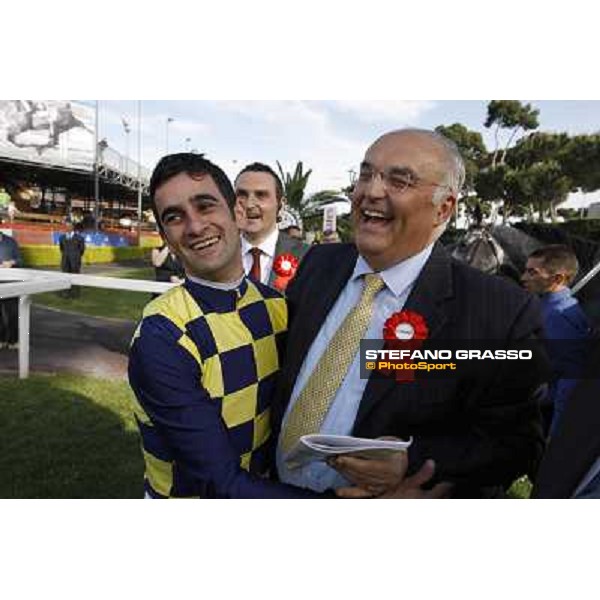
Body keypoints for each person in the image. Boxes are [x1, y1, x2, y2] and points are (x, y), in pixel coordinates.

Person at [272, 128, 547, 498]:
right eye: (366, 174)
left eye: (399, 180)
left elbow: (517, 444)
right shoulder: (318, 265)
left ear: (443, 208)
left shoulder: (499, 312)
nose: (371, 191)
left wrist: (415, 461)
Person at [128, 153, 334, 499]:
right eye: (175, 217)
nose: (194, 227)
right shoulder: (161, 335)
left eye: (205, 206)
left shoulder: (277, 305)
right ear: (165, 235)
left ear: (237, 213)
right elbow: (217, 483)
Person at [521, 245, 593, 436]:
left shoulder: (559, 316)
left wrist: (556, 433)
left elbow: (570, 377)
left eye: (532, 272)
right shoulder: (546, 306)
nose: (523, 277)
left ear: (558, 278)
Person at [234, 163, 309, 291]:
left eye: (261, 195)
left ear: (280, 204)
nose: (249, 204)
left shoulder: (307, 257)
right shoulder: (215, 254)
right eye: (242, 195)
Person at [0, 231, 22, 350]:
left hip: (11, 285)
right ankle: (1, 339)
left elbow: (20, 260)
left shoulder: (11, 242)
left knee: (12, 314)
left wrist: (11, 262)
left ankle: (13, 340)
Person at [58, 223, 86, 298]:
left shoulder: (80, 238)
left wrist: (75, 256)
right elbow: (61, 248)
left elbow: (82, 250)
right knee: (65, 277)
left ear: (73, 227)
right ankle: (65, 293)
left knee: (75, 278)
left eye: (70, 226)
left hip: (75, 261)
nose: (68, 228)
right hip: (65, 261)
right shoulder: (62, 237)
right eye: (66, 226)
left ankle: (75, 294)